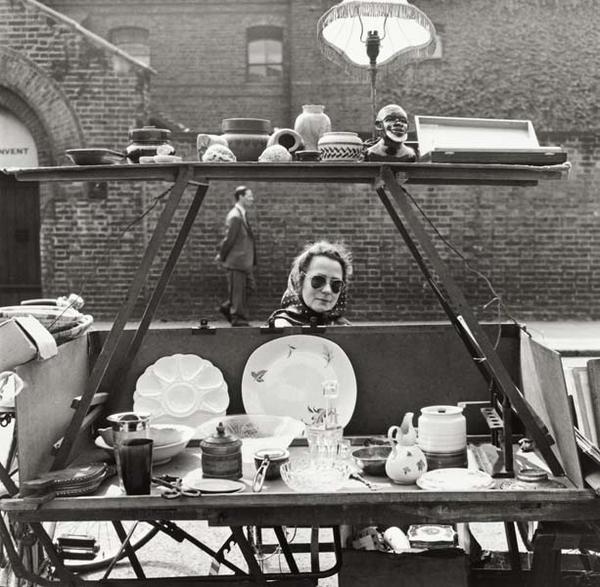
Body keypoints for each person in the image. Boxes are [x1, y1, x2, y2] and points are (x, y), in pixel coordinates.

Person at [267, 240, 352, 327]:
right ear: (299, 281)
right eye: (318, 280)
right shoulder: (282, 327)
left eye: (336, 284)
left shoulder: (345, 328)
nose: (327, 290)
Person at [216, 185, 256, 326]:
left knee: (249, 287)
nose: (252, 199)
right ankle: (238, 319)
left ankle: (228, 307)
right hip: (236, 261)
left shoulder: (241, 214)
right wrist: (222, 256)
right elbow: (229, 240)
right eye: (249, 196)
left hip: (244, 261)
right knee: (238, 291)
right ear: (241, 197)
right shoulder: (235, 216)